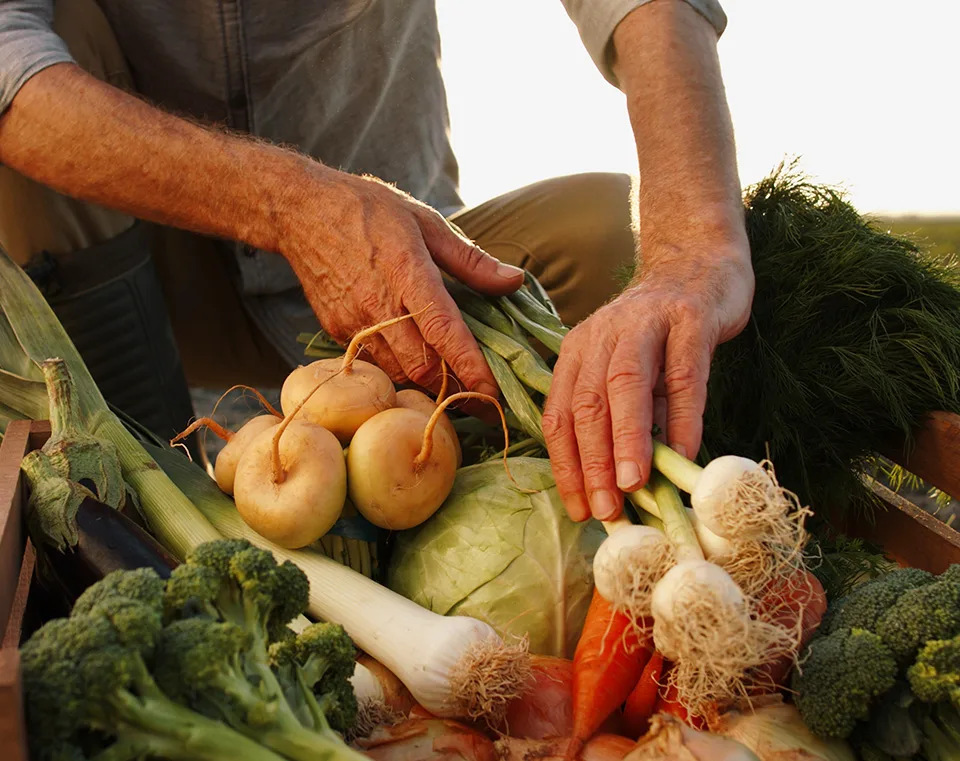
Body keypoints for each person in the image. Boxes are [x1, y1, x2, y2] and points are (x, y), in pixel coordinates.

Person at [0, 0, 753, 524]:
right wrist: (289, 205)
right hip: (153, 277)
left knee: (605, 233)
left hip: (408, 264)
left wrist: (691, 245)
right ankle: (142, 503)